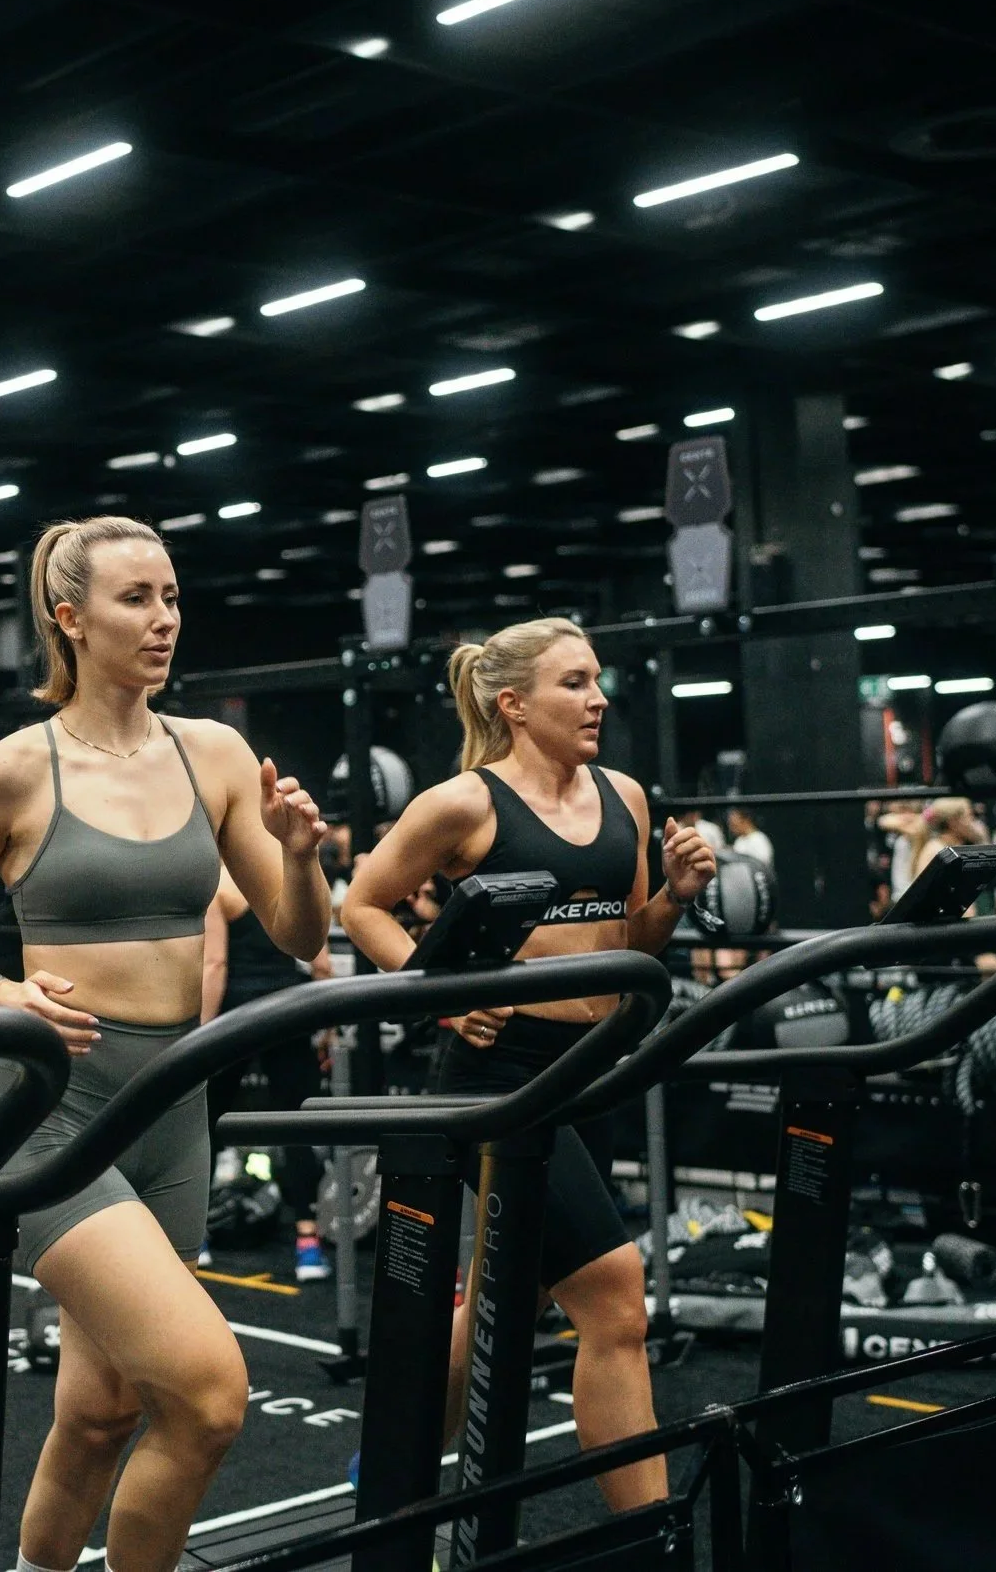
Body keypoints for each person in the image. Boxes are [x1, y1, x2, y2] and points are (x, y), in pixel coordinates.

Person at [0, 514, 329, 1572]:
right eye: (138, 598)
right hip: (56, 1109)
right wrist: (0, 990)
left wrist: (302, 856)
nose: (164, 618)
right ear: (69, 617)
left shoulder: (212, 751)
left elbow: (299, 935)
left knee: (100, 1410)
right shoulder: (8, 768)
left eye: (172, 596)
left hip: (173, 1105)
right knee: (212, 1394)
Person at [337, 615, 716, 1517]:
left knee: (515, 1295)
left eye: (597, 681)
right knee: (616, 1299)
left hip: (591, 1067)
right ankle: (652, 1537)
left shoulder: (623, 795)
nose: (598, 699)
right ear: (514, 703)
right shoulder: (465, 802)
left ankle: (389, 1466)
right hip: (498, 1073)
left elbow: (630, 938)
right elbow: (361, 904)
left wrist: (674, 895)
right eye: (575, 683)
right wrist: (436, 988)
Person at [200, 869, 334, 1281]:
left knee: (205, 1122)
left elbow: (216, 962)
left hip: (236, 1014)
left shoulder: (217, 884)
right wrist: (327, 1029)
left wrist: (198, 1038)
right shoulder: (291, 881)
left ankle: (195, 1236)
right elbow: (322, 965)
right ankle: (308, 1243)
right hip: (286, 1009)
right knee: (296, 1125)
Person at [724, 806, 774, 873]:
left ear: (745, 820)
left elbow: (763, 866)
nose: (731, 828)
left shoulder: (759, 839)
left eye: (733, 825)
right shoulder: (739, 840)